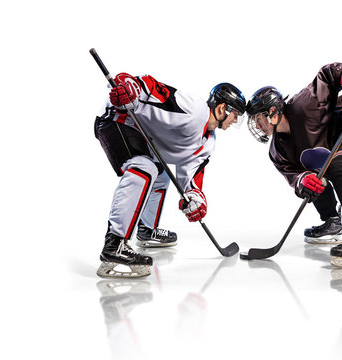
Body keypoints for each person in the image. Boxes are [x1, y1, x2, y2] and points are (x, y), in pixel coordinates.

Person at [94, 72, 246, 278]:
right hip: (118, 118)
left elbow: (191, 180)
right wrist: (130, 87)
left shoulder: (207, 143)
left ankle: (146, 231)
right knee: (144, 168)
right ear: (222, 109)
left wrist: (195, 200)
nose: (234, 121)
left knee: (160, 174)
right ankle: (114, 247)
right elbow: (155, 88)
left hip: (144, 137)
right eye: (235, 115)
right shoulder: (194, 110)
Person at [245, 62, 342, 267]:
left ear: (273, 112)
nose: (257, 125)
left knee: (340, 165)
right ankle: (331, 222)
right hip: (333, 147)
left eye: (259, 118)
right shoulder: (277, 150)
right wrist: (303, 182)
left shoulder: (305, 104)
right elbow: (294, 177)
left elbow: (329, 74)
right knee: (312, 177)